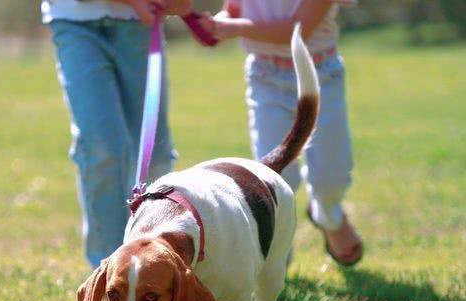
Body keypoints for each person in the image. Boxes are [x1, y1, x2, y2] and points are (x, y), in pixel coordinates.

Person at [204, 0, 363, 266]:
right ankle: (277, 251)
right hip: (265, 76)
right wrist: (216, 25)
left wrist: (233, 28)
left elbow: (297, 30)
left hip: (320, 74)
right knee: (275, 175)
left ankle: (327, 214)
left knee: (331, 175)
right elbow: (233, 11)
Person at [42, 0, 190, 268]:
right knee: (102, 149)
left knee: (155, 155)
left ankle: (156, 264)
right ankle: (108, 270)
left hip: (139, 25)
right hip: (76, 20)